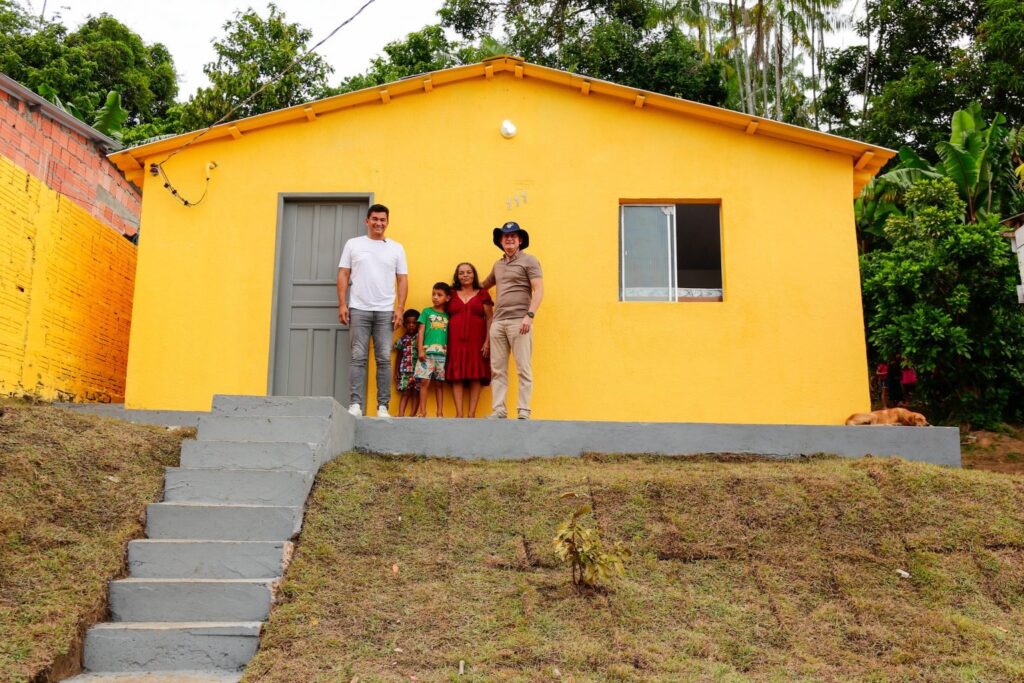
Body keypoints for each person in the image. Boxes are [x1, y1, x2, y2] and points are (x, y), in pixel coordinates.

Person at [337, 204, 408, 418]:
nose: (379, 223)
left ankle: (383, 406)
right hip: (359, 309)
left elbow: (402, 279)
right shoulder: (354, 244)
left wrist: (400, 308)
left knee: (384, 359)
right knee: (358, 357)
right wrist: (342, 304)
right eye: (375, 219)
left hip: (385, 311)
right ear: (367, 221)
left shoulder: (396, 248)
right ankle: (355, 405)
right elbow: (343, 274)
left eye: (383, 220)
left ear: (387, 222)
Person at [480, 221, 543, 419]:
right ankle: (499, 410)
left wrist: (529, 316)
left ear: (520, 240)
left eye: (513, 236)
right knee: (498, 370)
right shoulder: (498, 265)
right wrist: (460, 287)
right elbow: (483, 285)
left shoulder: (530, 261)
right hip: (498, 323)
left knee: (523, 367)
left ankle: (524, 410)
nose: (509, 239)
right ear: (500, 241)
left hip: (520, 321)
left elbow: (539, 290)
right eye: (505, 236)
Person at [446, 262, 493, 418]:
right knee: (456, 375)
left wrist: (488, 341)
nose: (465, 275)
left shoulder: (483, 294)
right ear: (457, 276)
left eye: (468, 272)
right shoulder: (450, 293)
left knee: (476, 374)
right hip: (454, 341)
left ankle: (471, 413)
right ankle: (459, 414)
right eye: (461, 273)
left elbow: (489, 318)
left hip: (477, 341)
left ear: (474, 275)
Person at [415, 282, 451, 417]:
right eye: (433, 294)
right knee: (424, 382)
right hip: (427, 353)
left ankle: (440, 412)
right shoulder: (426, 312)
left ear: (447, 298)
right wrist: (420, 350)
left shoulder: (448, 315)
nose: (435, 297)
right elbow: (421, 331)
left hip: (442, 354)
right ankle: (422, 411)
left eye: (439, 295)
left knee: (439, 384)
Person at [393, 309, 420, 417]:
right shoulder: (402, 340)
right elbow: (399, 356)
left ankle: (412, 415)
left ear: (418, 324)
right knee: (405, 393)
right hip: (405, 371)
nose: (411, 325)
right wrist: (396, 371)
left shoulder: (421, 338)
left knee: (416, 393)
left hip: (418, 371)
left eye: (414, 323)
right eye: (408, 323)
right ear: (404, 324)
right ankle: (400, 414)